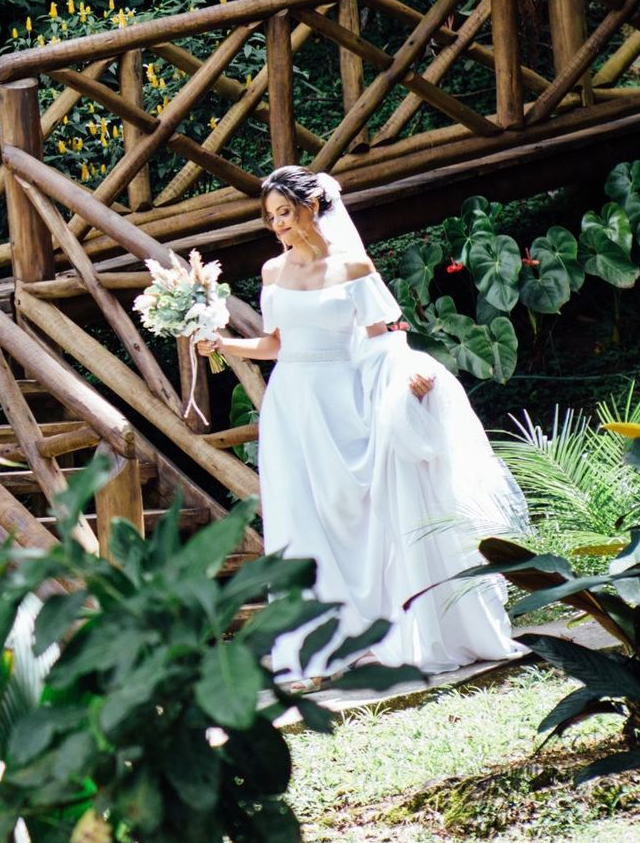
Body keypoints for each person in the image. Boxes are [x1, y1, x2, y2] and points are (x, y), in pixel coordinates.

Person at [195, 166, 526, 682]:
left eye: (285, 212)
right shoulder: (271, 272)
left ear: (313, 206)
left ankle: (385, 626)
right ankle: (319, 644)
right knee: (301, 521)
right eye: (270, 217)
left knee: (362, 515)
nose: (278, 224)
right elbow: (276, 343)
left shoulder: (354, 267)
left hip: (345, 398)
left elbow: (385, 338)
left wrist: (411, 375)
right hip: (290, 407)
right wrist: (223, 343)